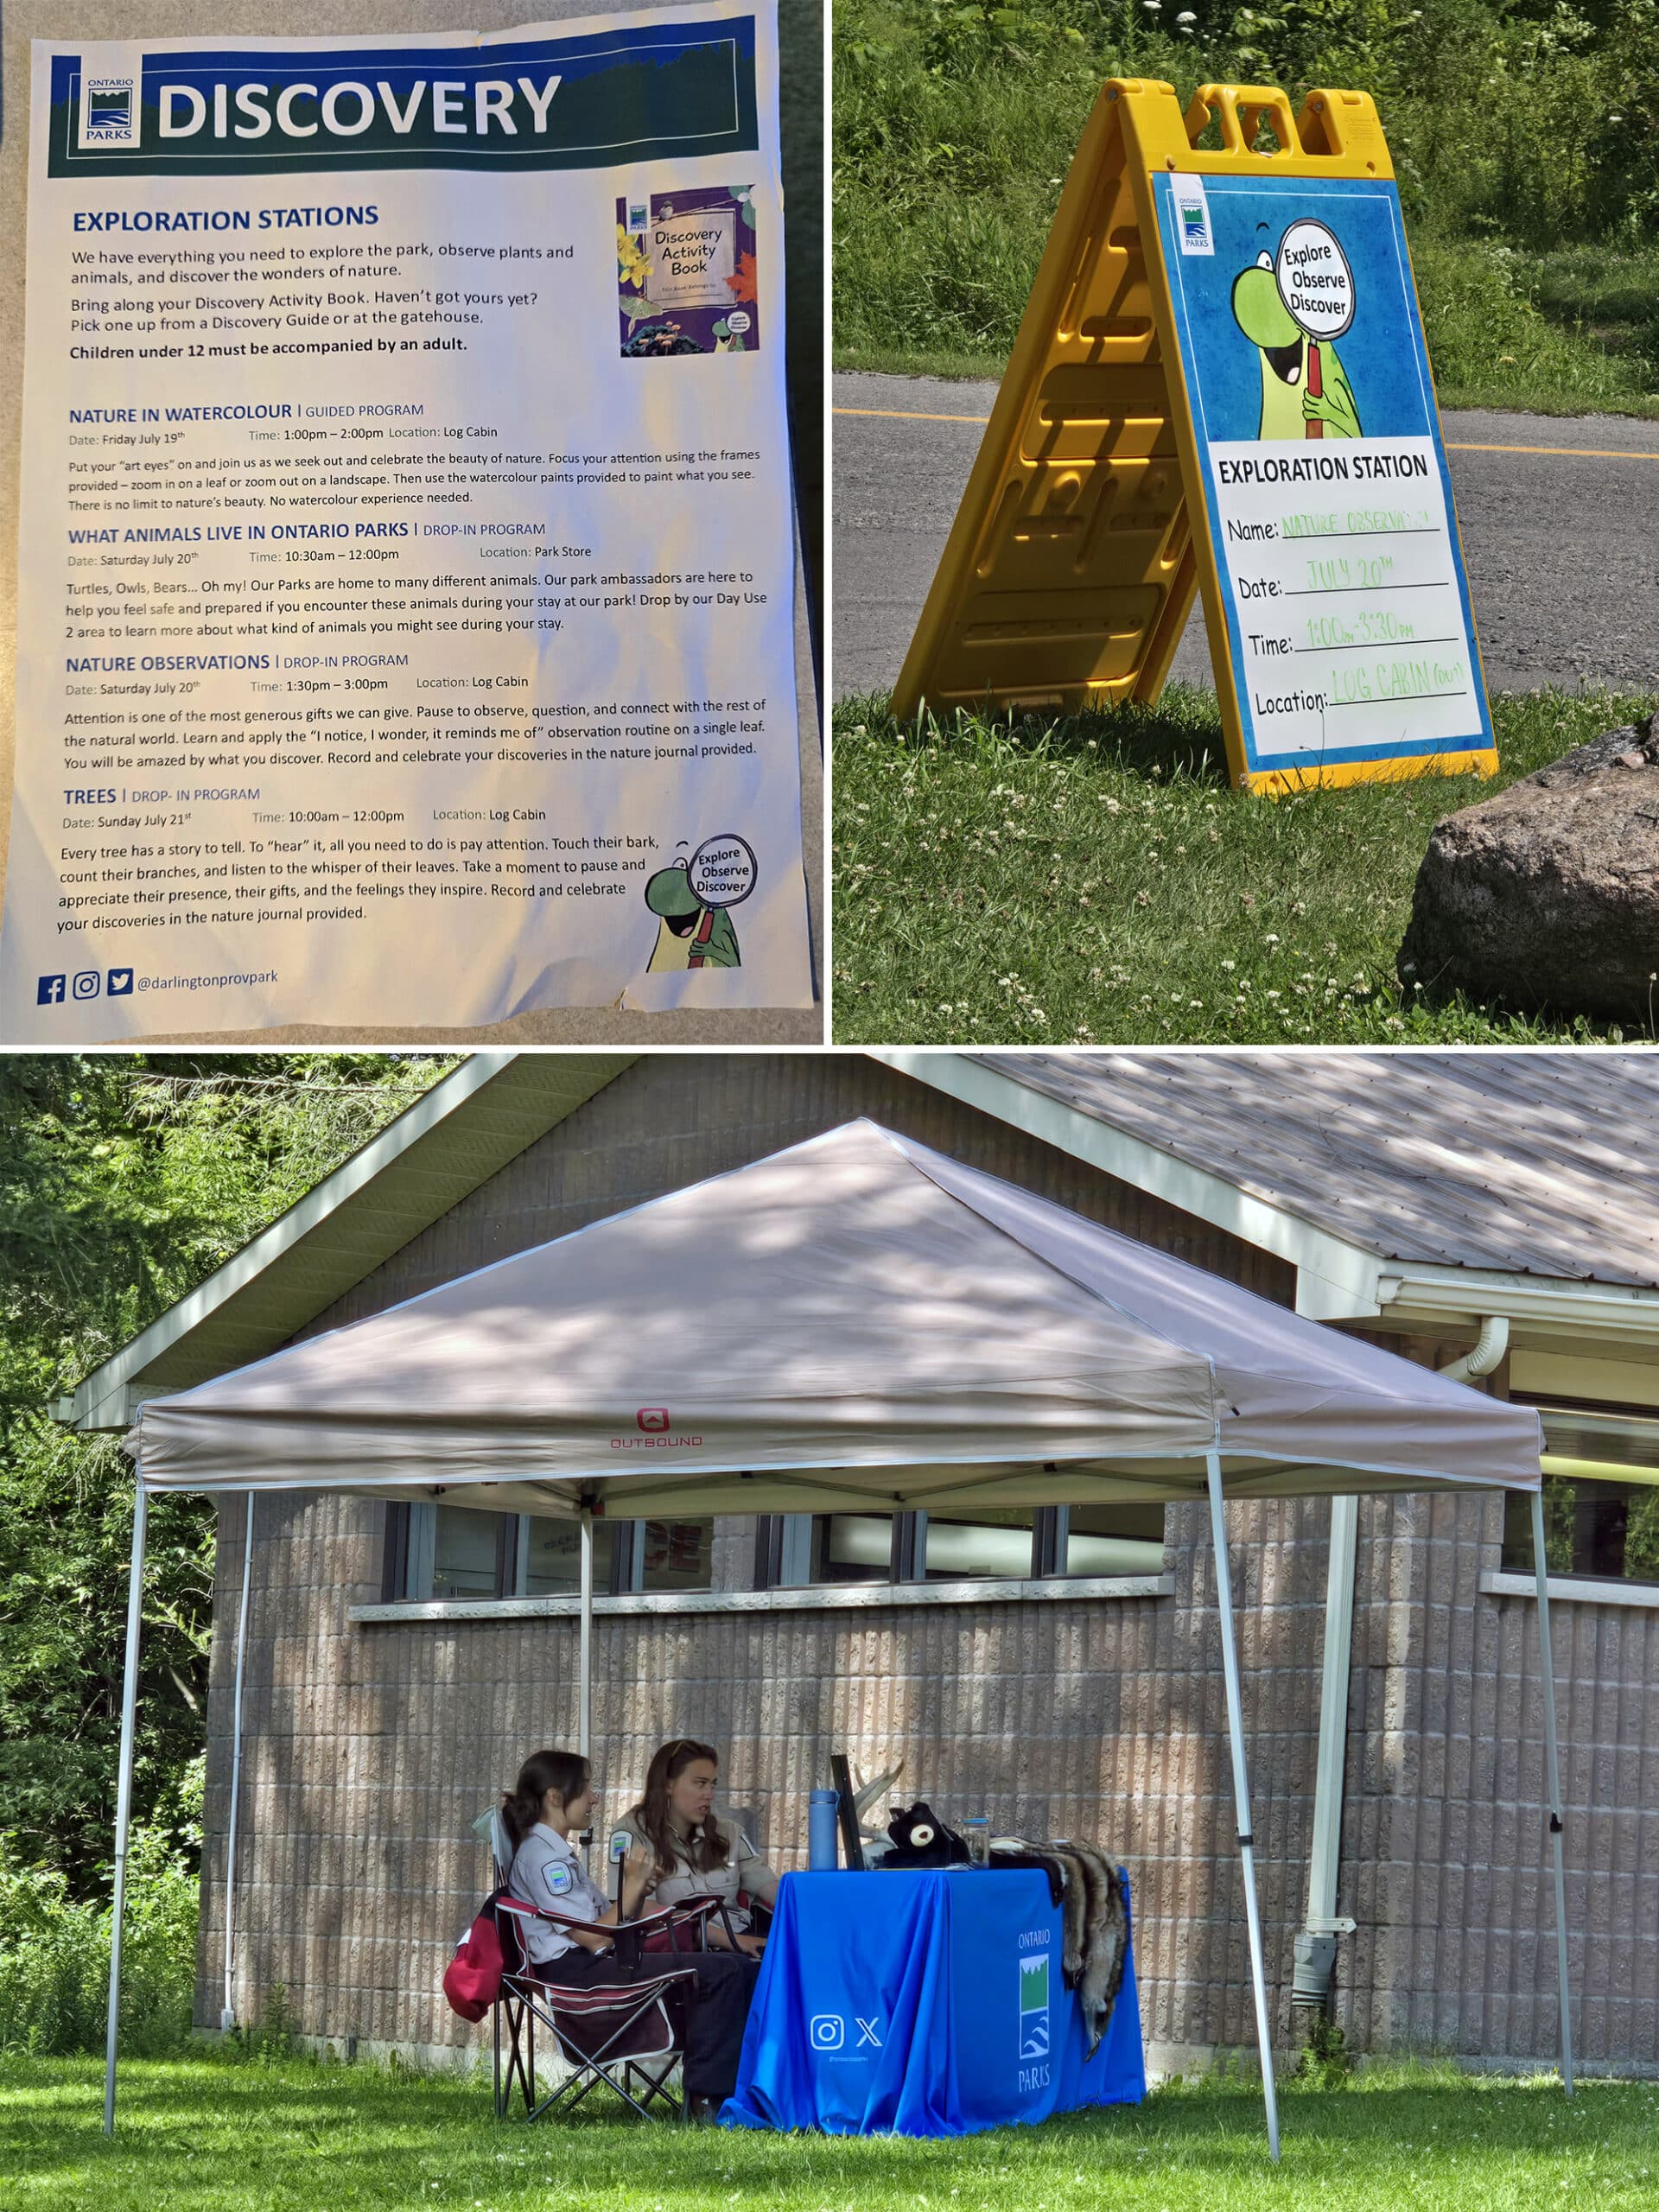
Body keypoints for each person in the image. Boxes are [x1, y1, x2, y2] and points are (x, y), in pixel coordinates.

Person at [501, 1747, 759, 2118]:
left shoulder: (554, 1851)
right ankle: (706, 2099)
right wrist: (632, 1888)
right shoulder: (544, 1858)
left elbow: (606, 1922)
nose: (594, 1798)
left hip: (602, 1961)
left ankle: (727, 2091)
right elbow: (592, 1938)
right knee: (725, 1971)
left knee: (738, 1967)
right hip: (579, 1975)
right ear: (555, 1797)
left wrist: (637, 1891)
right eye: (586, 1789)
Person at [622, 1738, 779, 1956]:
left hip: (739, 1937)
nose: (710, 1794)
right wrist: (731, 1941)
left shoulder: (729, 1833)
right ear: (669, 1784)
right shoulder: (634, 1833)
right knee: (738, 1973)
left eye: (712, 1784)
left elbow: (771, 1888)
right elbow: (638, 1910)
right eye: (700, 1783)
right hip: (683, 1950)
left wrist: (815, 1909)